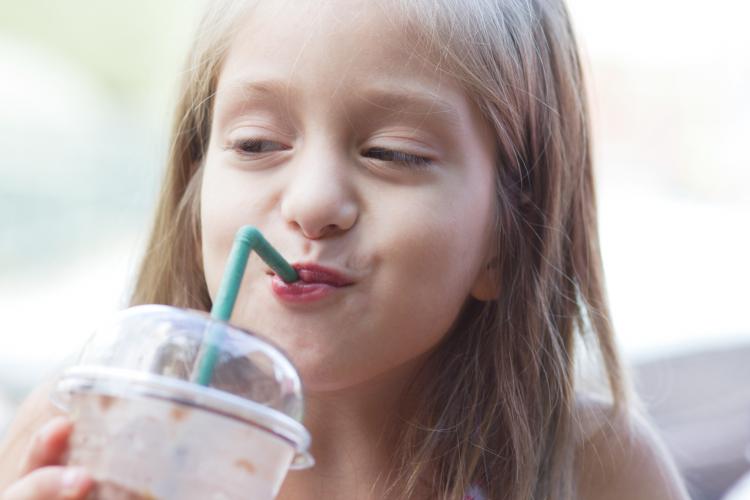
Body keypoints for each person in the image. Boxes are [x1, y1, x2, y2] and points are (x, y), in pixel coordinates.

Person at [0, 0, 691, 498]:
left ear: (507, 238)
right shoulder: (90, 426)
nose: (311, 204)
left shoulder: (590, 467)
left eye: (394, 153)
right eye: (257, 144)